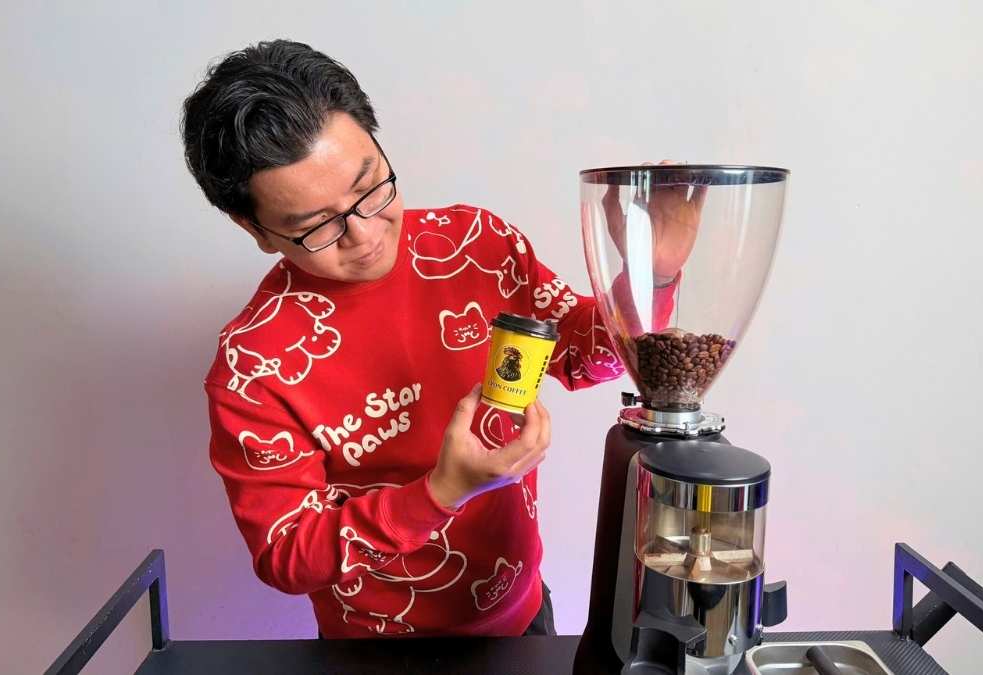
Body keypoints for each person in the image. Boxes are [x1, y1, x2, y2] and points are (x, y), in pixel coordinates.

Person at [181, 39, 701, 638]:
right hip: (373, 648)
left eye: (370, 187)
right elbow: (286, 554)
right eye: (318, 225)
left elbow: (589, 358)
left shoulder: (476, 246)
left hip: (524, 614)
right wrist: (440, 492)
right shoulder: (252, 365)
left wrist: (651, 274)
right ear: (255, 228)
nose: (364, 234)